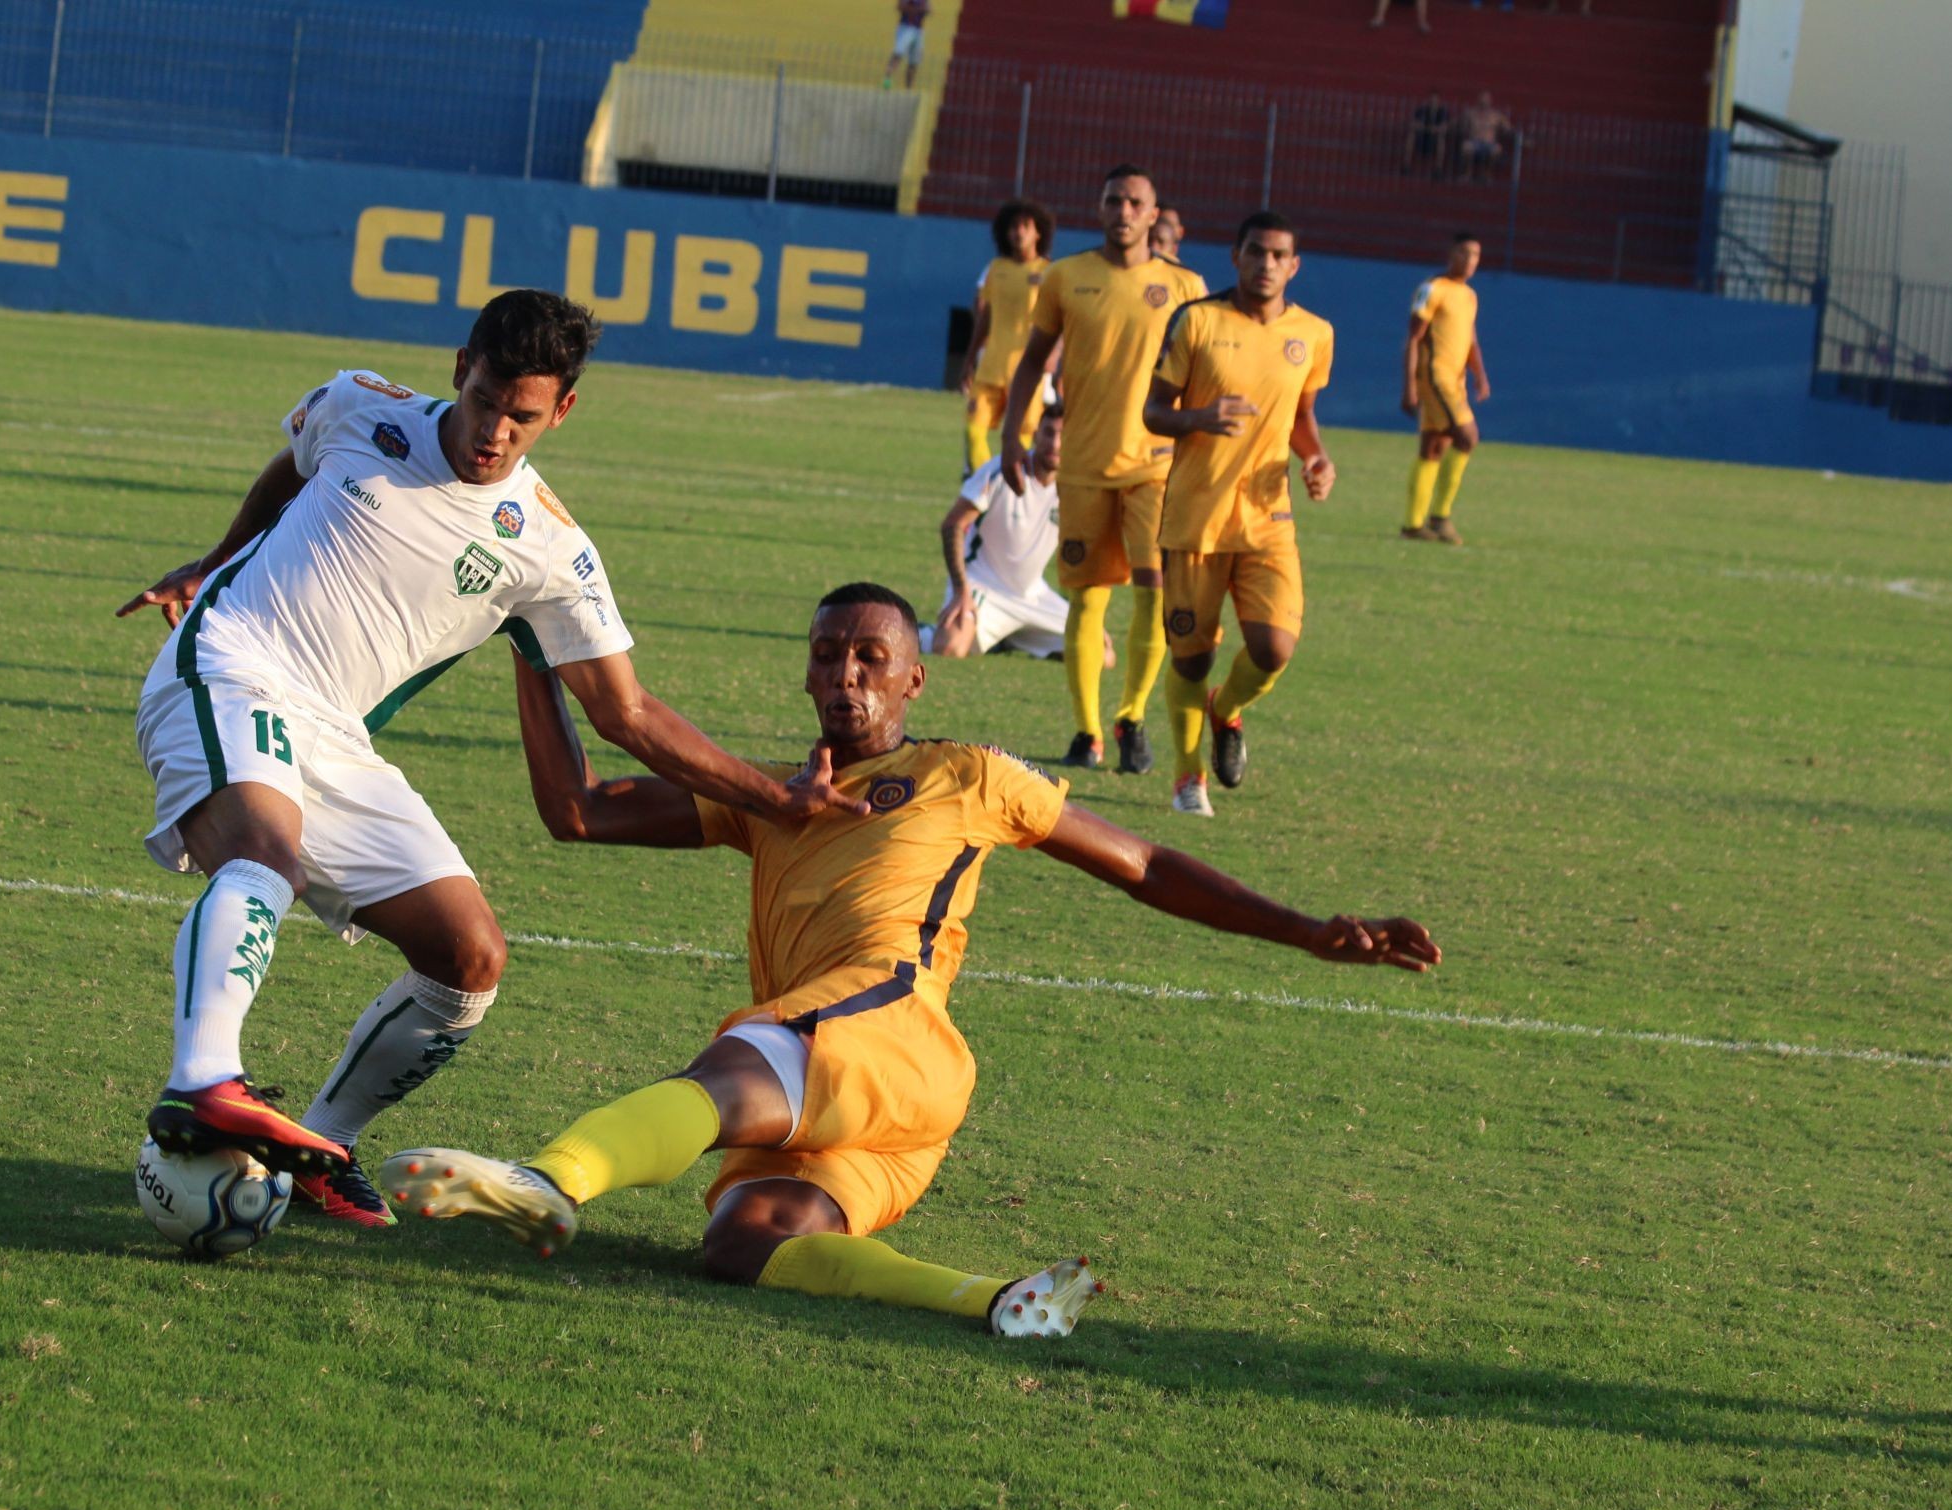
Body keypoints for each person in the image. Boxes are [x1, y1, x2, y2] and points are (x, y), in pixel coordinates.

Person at [385, 584, 1439, 1337]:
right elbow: (575, 812)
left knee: (729, 1071)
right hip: (877, 1104)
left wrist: (1306, 927)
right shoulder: (769, 798)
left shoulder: (963, 774)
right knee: (744, 1240)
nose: (846, 673)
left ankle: (548, 1179)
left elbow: (1144, 860)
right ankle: (999, 1299)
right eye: (828, 654)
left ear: (913, 680)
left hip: (886, 1024)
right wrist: (535, 655)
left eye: (869, 657)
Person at [117, 290, 863, 1228]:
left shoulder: (550, 549)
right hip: (231, 664)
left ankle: (322, 1142)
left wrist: (772, 798)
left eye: (524, 417)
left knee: (467, 959)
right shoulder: (361, 404)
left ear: (563, 411)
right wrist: (216, 557)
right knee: (263, 853)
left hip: (336, 737)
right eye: (484, 403)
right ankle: (203, 1079)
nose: (496, 433)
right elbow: (290, 467)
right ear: (458, 368)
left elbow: (624, 712)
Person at [1000, 165, 1207, 774]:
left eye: (1134, 202)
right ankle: (1087, 732)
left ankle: (1132, 715)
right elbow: (1032, 362)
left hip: (1157, 465)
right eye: (1113, 200)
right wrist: (1014, 434)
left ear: (1152, 214)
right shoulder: (1067, 276)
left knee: (1155, 595)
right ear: (1099, 209)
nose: (1123, 210)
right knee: (1087, 602)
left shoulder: (1187, 285)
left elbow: (1204, 373)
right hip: (1084, 465)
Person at [1144, 212, 1335, 818]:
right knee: (1191, 658)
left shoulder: (1314, 333)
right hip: (1194, 517)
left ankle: (1226, 709)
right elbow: (1154, 412)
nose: (1267, 264)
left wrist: (1317, 459)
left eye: (1280, 255)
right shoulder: (1197, 319)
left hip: (1266, 515)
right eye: (1256, 252)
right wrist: (1198, 418)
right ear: (1236, 255)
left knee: (1274, 648)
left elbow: (1301, 416)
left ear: (1295, 265)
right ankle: (1187, 776)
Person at [922, 405, 1107, 665]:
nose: (1055, 443)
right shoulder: (1004, 470)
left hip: (1032, 595)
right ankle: (925, 635)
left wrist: (1088, 612)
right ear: (1035, 434)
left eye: (1063, 435)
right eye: (1048, 433)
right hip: (981, 585)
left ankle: (1006, 637)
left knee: (1101, 654)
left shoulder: (1075, 487)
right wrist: (960, 588)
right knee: (951, 647)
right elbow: (952, 524)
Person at [1401, 232, 1491, 545]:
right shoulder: (1432, 289)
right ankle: (1440, 517)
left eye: (1476, 255)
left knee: (1433, 447)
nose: (1470, 261)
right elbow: (1413, 337)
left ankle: (1413, 525)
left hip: (1456, 380)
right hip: (1435, 377)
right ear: (1451, 254)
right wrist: (1409, 385)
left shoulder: (1468, 295)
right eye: (1465, 253)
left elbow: (1470, 339)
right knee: (1467, 437)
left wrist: (1479, 374)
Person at [959, 198, 1054, 475]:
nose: (1019, 232)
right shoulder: (996, 269)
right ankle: (984, 487)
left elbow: (1058, 322)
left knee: (1021, 441)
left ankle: (1011, 493)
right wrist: (969, 359)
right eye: (1013, 227)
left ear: (1038, 232)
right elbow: (985, 317)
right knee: (973, 431)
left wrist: (1055, 356)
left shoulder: (1048, 272)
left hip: (1026, 372)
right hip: (990, 367)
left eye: (1025, 226)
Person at [1458, 92, 1511, 181]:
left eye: (1486, 102)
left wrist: (1507, 131)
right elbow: (1460, 123)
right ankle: (1468, 173)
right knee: (1466, 147)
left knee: (1496, 149)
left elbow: (1507, 127)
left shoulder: (1495, 116)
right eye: (1482, 101)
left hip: (1489, 143)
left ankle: (1487, 174)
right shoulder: (1471, 113)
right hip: (1475, 142)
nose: (1484, 104)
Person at [1402, 91, 1450, 178]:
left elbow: (1444, 127)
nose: (1433, 103)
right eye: (1431, 101)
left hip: (1434, 139)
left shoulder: (1443, 112)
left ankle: (1438, 169)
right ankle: (1406, 165)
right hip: (1422, 138)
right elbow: (1413, 124)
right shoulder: (1422, 110)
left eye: (1435, 101)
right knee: (1411, 137)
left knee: (1441, 141)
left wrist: (1433, 129)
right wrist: (1420, 126)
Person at [883, 0, 928, 90]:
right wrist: (916, 10)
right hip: (906, 27)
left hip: (918, 29)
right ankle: (887, 80)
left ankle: (909, 88)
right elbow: (900, 7)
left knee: (914, 61)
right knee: (898, 53)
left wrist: (916, 10)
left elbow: (927, 9)